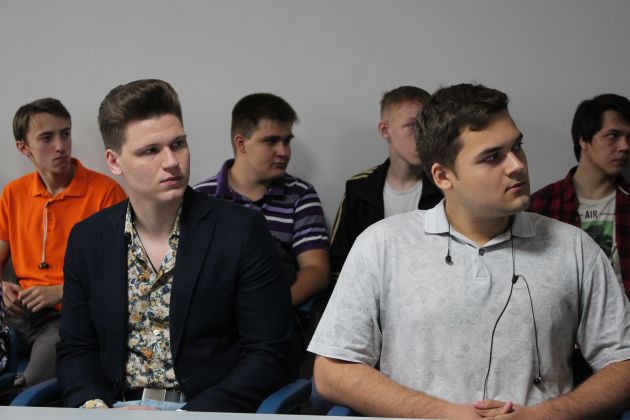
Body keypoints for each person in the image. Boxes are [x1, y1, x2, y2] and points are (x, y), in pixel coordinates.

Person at [308, 83, 630, 418]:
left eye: (517, 147)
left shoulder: (574, 248)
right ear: (443, 176)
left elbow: (624, 364)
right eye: (492, 157)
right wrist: (440, 413)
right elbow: (331, 372)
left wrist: (544, 416)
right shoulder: (383, 245)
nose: (516, 165)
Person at [56, 79, 298, 412]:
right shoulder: (88, 240)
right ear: (114, 161)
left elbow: (271, 354)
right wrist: (95, 408)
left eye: (178, 144)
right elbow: (76, 349)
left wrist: (187, 416)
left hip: (205, 410)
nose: (172, 161)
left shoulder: (241, 231)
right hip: (114, 409)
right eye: (150, 151)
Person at [0, 98, 126, 387]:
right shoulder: (13, 193)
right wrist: (2, 288)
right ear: (23, 147)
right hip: (17, 314)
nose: (61, 146)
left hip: (68, 315)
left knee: (29, 386)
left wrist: (61, 292)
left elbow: (120, 274)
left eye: (65, 134)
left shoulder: (105, 193)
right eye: (47, 138)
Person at [194, 93, 329, 307]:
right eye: (271, 141)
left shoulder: (301, 194)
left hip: (280, 315)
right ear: (241, 143)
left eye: (287, 141)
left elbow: (316, 270)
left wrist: (267, 310)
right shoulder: (201, 197)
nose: (283, 152)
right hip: (217, 317)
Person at [329, 86, 442, 281]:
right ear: (385, 130)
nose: (423, 135)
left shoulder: (445, 187)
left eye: (428, 125)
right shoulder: (359, 189)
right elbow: (339, 262)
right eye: (413, 126)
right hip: (369, 294)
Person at [529, 94, 630, 297]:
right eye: (613, 136)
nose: (625, 146)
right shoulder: (542, 205)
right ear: (583, 139)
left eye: (629, 138)